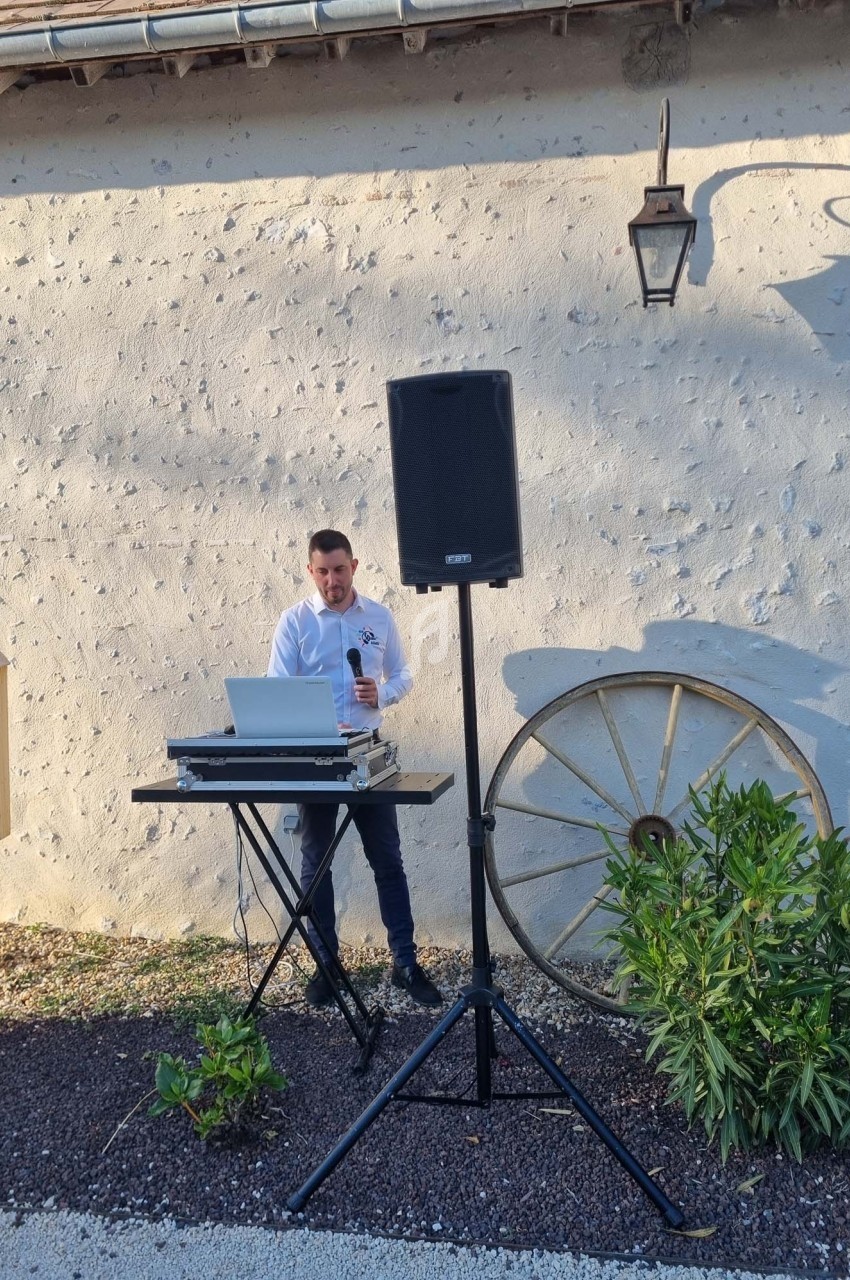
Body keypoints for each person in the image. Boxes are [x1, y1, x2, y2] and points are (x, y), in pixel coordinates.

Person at [267, 529, 442, 1009]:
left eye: (339, 569)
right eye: (322, 571)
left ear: (354, 566)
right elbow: (277, 689)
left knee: (387, 859)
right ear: (310, 571)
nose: (332, 580)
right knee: (315, 861)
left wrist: (380, 694)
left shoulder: (379, 618)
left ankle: (404, 963)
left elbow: (403, 674)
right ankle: (327, 964)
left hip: (369, 752)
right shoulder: (295, 622)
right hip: (316, 757)